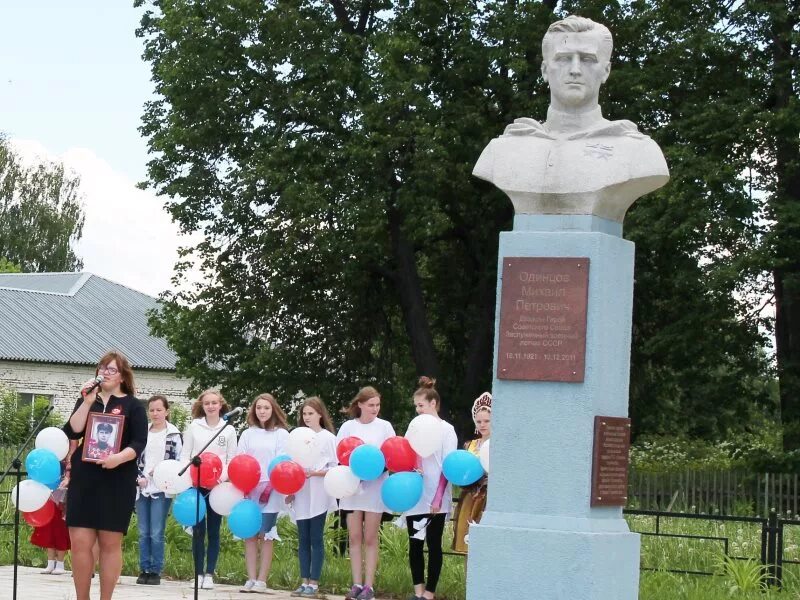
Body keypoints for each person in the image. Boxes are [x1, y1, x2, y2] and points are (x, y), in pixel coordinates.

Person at [472, 15, 669, 222]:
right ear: (545, 70)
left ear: (606, 71)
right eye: (564, 58)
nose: (575, 70)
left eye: (587, 59)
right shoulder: (504, 150)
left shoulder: (637, 151)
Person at [62, 351, 148, 600]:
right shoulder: (88, 400)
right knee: (79, 542)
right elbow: (73, 431)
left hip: (117, 480)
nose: (105, 373)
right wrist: (87, 402)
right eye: (102, 368)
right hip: (85, 479)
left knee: (110, 544)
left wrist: (117, 458)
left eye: (111, 369)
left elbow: (139, 442)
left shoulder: (133, 406)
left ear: (122, 376)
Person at [336, 386, 396, 600]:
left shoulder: (385, 427)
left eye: (377, 405)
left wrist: (374, 471)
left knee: (370, 537)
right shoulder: (347, 427)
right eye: (371, 405)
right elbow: (341, 455)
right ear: (360, 404)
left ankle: (369, 586)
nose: (375, 409)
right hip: (352, 488)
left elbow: (391, 455)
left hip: (375, 488)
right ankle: (356, 583)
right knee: (354, 536)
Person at [403, 377, 458, 600]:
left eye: (421, 405)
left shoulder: (447, 430)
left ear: (433, 404)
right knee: (415, 543)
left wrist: (437, 498)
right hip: (416, 493)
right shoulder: (414, 427)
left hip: (436, 496)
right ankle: (417, 590)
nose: (418, 410)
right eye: (416, 406)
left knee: (433, 544)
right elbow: (407, 452)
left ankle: (429, 593)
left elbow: (448, 466)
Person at [180, 389, 238, 590]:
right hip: (196, 485)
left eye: (214, 403)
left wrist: (219, 479)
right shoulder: (194, 427)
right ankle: (197, 573)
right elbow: (185, 455)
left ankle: (209, 574)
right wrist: (192, 478)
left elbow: (231, 459)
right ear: (202, 406)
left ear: (221, 405)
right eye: (207, 403)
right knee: (198, 531)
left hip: (218, 487)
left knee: (213, 531)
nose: (211, 406)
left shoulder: (228, 429)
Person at [236, 393, 289, 594]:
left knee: (266, 534)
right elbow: (241, 459)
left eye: (266, 408)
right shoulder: (248, 433)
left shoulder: (281, 434)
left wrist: (271, 484)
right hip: (250, 487)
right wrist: (246, 484)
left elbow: (282, 462)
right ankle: (250, 577)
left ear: (273, 409)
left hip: (271, 489)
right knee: (249, 534)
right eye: (259, 408)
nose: (262, 411)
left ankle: (262, 579)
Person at [287, 396, 337, 598]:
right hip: (301, 492)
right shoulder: (297, 436)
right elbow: (291, 466)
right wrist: (290, 489)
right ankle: (304, 580)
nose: (307, 417)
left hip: (318, 492)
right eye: (304, 414)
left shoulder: (328, 438)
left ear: (320, 414)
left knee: (315, 537)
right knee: (303, 538)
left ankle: (314, 582)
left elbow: (334, 468)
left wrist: (314, 473)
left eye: (311, 413)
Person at [135, 395, 183, 585]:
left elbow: (179, 461)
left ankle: (155, 570)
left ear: (167, 412)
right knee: (142, 531)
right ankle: (144, 568)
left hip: (162, 488)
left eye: (159, 410)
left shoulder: (174, 434)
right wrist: (138, 476)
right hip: (142, 486)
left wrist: (163, 471)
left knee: (156, 531)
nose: (155, 413)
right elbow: (134, 456)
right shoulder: (142, 432)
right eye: (152, 410)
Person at [452, 392, 491, 553]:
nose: (482, 424)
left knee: (486, 545)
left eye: (487, 421)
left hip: (490, 498)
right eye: (479, 421)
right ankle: (469, 579)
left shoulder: (499, 445)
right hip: (470, 496)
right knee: (468, 544)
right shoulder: (470, 445)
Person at [32, 440, 78, 576]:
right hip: (48, 497)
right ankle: (50, 562)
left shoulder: (70, 461)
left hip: (63, 500)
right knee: (47, 530)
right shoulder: (47, 460)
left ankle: (60, 563)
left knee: (60, 531)